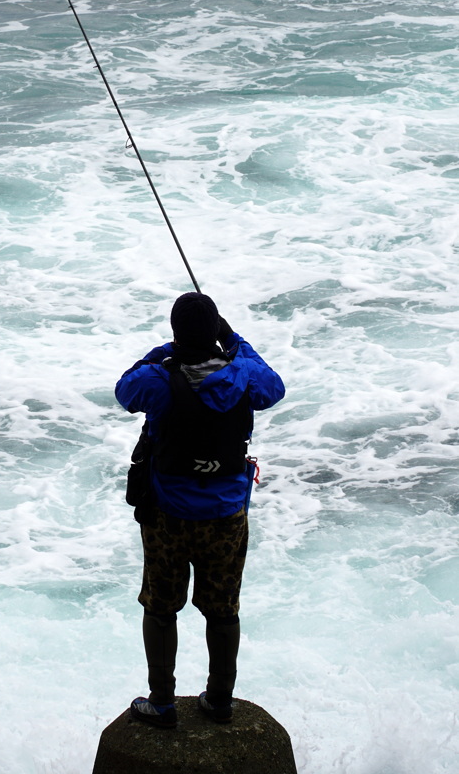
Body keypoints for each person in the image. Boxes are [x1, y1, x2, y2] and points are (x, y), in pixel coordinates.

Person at [115, 291, 285, 728]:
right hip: (225, 514)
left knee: (160, 606)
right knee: (223, 608)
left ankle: (163, 702)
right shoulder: (243, 373)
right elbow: (274, 388)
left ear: (175, 334)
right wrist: (234, 339)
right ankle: (220, 700)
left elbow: (125, 389)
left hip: (167, 515)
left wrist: (166, 351)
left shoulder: (157, 378)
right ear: (214, 333)